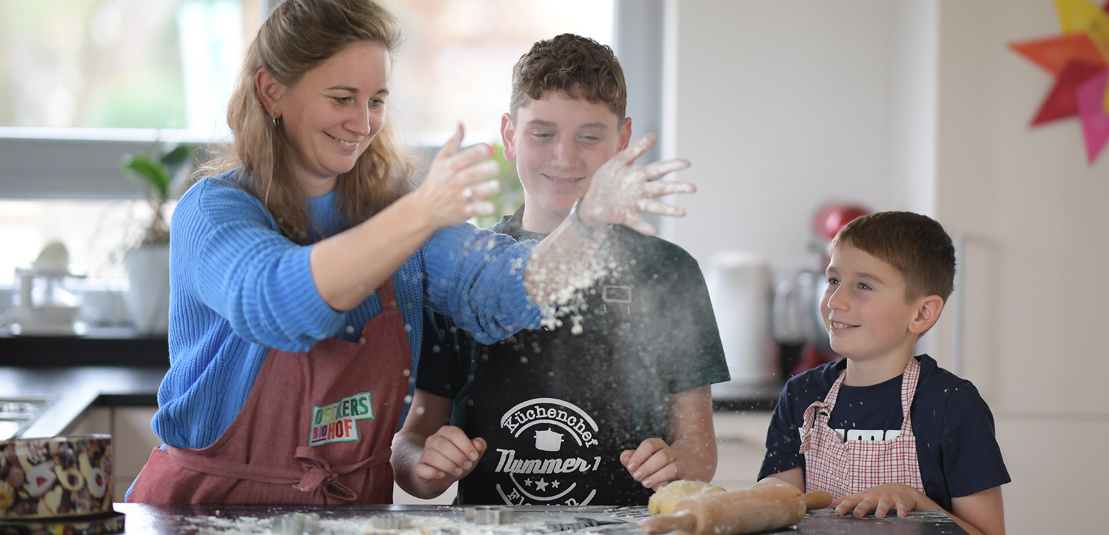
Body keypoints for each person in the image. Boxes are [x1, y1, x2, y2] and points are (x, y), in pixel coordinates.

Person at [125, 0, 694, 505]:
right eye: (342, 98)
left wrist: (588, 224)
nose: (363, 123)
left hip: (350, 513)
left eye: (376, 100)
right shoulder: (214, 211)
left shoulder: (394, 211)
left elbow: (502, 290)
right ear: (272, 90)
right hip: (210, 510)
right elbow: (276, 303)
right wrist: (418, 212)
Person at [390, 33, 730, 506]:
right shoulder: (466, 272)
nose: (565, 157)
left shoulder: (670, 272)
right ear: (509, 135)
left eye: (589, 136)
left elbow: (698, 447)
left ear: (623, 141)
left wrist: (675, 463)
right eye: (542, 133)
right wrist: (427, 465)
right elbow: (411, 443)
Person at [756, 211, 1009, 535]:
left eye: (863, 286)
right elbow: (779, 497)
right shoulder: (802, 396)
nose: (836, 301)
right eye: (833, 280)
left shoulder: (952, 405)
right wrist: (757, 500)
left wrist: (916, 501)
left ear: (922, 313)